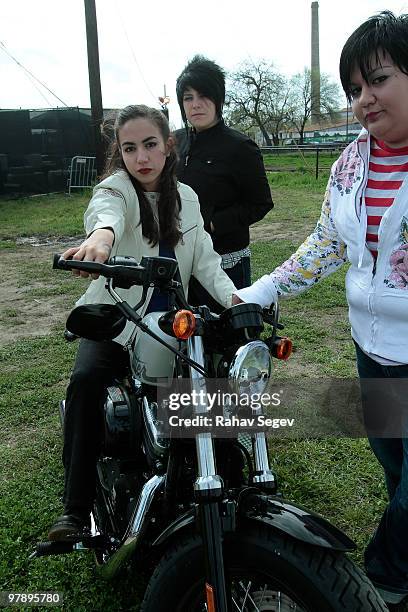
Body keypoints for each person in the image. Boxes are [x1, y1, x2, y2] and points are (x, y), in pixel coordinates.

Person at [233, 11, 408, 609]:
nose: (364, 100)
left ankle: (383, 578)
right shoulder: (352, 163)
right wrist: (262, 291)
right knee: (396, 470)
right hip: (374, 350)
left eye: (379, 80)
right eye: (354, 90)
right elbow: (328, 242)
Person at [48, 104, 236, 541]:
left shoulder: (187, 197)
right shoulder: (116, 189)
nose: (141, 157)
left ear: (169, 146)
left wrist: (237, 298)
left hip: (175, 323)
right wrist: (101, 237)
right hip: (118, 319)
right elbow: (105, 213)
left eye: (150, 144)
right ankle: (75, 510)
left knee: (215, 386)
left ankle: (223, 475)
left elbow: (206, 262)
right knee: (86, 382)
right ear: (120, 152)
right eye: (129, 148)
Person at [175, 55, 273, 311]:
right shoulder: (174, 142)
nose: (196, 105)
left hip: (226, 260)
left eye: (204, 95)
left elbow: (261, 203)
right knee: (181, 337)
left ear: (219, 98)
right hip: (180, 260)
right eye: (188, 97)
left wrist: (213, 223)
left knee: (228, 337)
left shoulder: (240, 147)